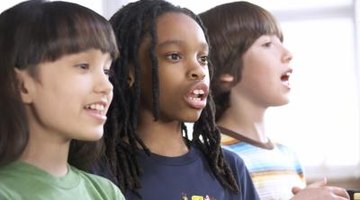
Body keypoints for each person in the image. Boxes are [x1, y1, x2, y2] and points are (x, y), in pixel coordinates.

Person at [91, 0, 259, 199]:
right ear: (129, 71)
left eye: (203, 58)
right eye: (174, 56)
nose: (198, 70)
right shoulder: (97, 172)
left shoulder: (228, 169)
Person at [199, 1, 350, 200]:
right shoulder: (210, 157)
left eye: (280, 42)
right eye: (267, 44)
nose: (288, 54)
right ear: (226, 70)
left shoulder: (289, 157)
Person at [0, 0, 125, 199]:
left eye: (106, 70)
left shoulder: (106, 192)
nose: (107, 86)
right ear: (21, 85)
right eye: (84, 66)